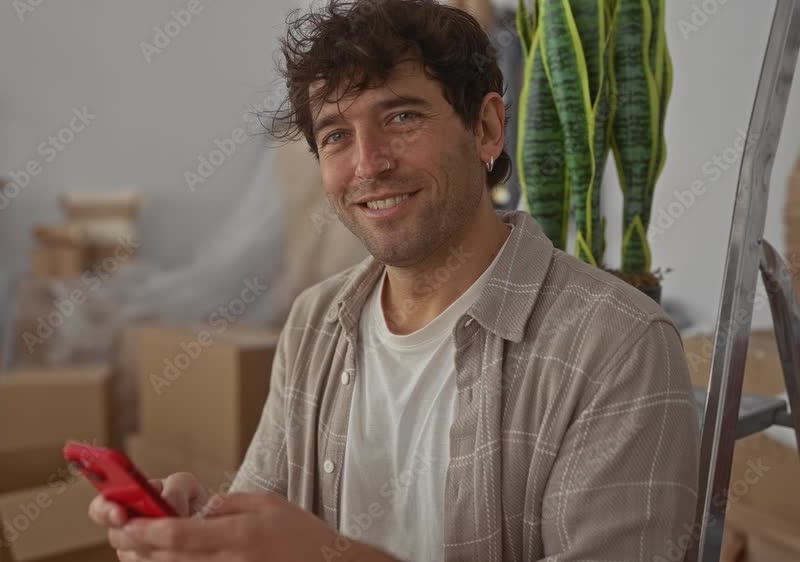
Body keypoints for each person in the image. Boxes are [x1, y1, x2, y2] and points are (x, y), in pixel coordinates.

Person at [89, 1, 700, 560]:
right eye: (336, 136)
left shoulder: (618, 346)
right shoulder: (314, 322)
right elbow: (266, 516)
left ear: (488, 128)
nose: (369, 164)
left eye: (402, 117)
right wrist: (203, 533)